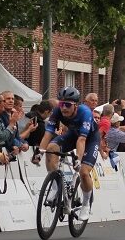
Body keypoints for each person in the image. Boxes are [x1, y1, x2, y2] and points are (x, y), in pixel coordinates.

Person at [40, 87, 100, 221]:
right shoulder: (57, 111)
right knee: (51, 148)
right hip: (73, 135)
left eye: (67, 105)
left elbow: (82, 140)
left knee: (83, 172)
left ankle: (86, 204)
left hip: (90, 139)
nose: (64, 108)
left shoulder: (85, 112)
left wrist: (78, 159)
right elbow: (48, 133)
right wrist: (40, 152)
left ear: (76, 105)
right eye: (61, 104)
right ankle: (55, 188)